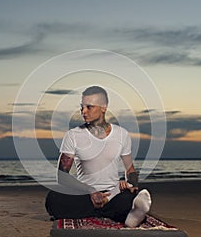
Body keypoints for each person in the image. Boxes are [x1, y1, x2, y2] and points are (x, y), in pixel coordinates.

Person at [45, 86, 151, 227]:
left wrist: (133, 185)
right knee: (53, 199)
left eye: (89, 107)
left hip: (113, 193)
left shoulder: (122, 134)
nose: (83, 112)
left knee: (127, 197)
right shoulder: (73, 135)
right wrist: (91, 192)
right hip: (84, 194)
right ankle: (121, 213)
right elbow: (62, 175)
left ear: (103, 107)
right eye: (81, 107)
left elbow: (130, 170)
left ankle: (113, 207)